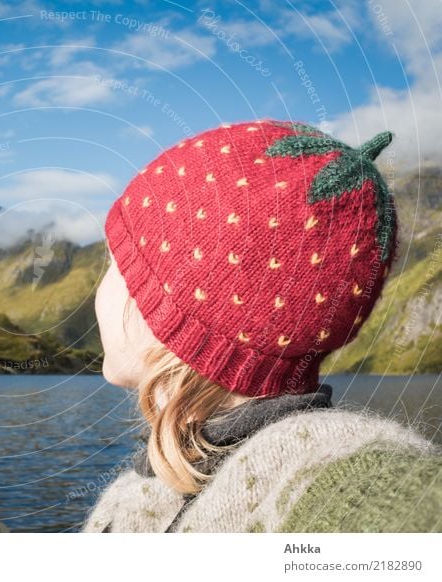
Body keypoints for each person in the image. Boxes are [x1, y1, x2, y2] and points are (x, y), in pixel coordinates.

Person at [82, 119, 442, 533]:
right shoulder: (160, 474)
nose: (104, 281)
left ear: (167, 307)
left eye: (114, 262)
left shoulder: (317, 464)